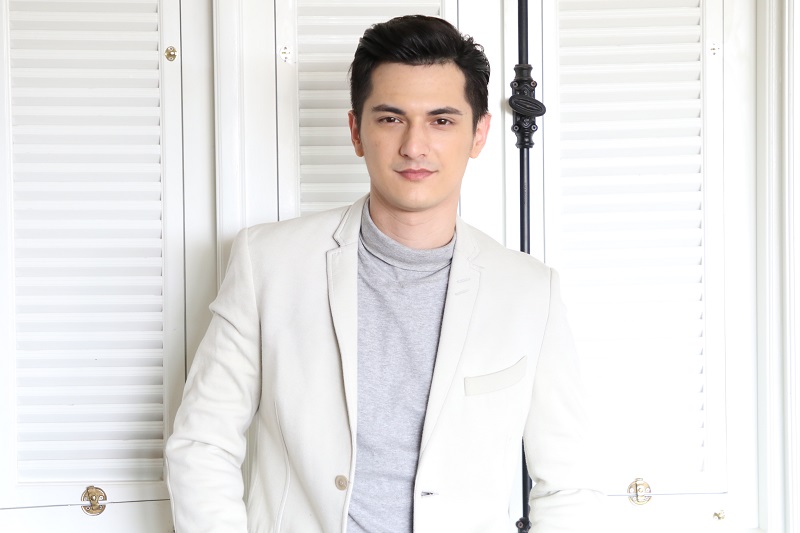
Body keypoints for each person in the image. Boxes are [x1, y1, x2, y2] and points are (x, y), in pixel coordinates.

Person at [166, 14, 601, 533]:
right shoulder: (269, 263)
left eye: (442, 121)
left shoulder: (530, 292)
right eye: (391, 119)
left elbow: (568, 483)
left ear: (479, 133)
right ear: (356, 131)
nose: (414, 146)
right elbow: (202, 444)